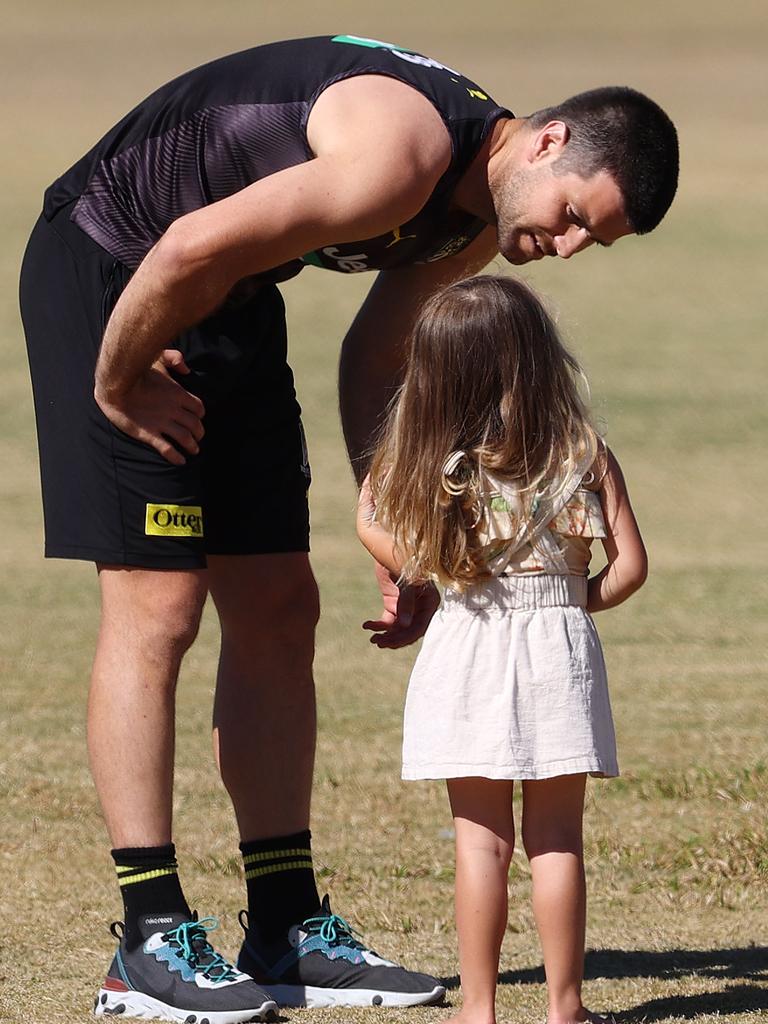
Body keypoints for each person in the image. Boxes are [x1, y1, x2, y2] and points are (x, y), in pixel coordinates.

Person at [18, 33, 676, 1024]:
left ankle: (283, 919)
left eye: (596, 242)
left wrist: (400, 529)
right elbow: (185, 243)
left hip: (226, 295)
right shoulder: (402, 154)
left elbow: (377, 356)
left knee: (282, 601)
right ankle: (147, 936)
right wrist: (116, 382)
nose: (570, 248)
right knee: (159, 603)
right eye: (577, 217)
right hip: (114, 270)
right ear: (548, 142)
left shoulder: (472, 226)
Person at [357, 275, 648, 1024]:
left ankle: (478, 1009)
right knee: (557, 840)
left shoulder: (431, 464)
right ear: (538, 358)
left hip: (468, 641)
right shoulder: (581, 450)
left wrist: (421, 567)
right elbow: (632, 566)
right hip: (559, 646)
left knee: (479, 842)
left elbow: (375, 526)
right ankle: (564, 1007)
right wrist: (573, 601)